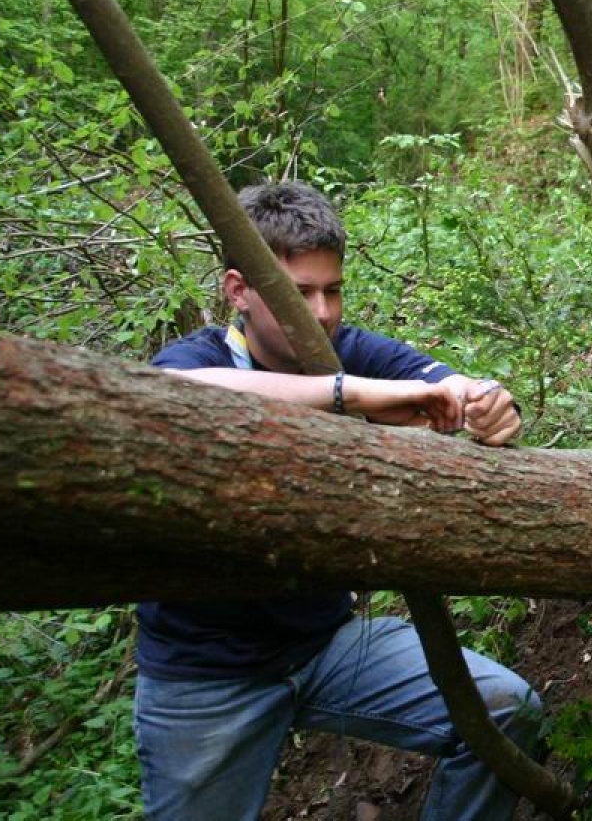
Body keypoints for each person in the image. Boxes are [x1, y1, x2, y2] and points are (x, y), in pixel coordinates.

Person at [133, 181, 540, 820]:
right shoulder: (199, 358)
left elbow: (455, 385)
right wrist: (351, 394)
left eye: (332, 290)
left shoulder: (344, 350)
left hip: (327, 643)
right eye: (298, 293)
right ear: (238, 290)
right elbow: (178, 395)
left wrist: (490, 404)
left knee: (505, 708)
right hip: (207, 673)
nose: (321, 313)